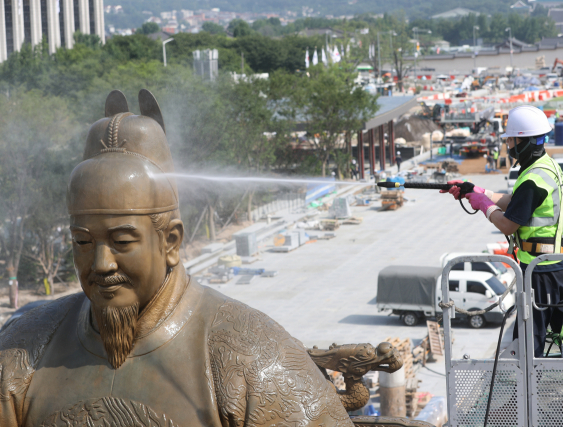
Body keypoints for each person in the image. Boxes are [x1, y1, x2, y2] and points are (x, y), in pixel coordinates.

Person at [0, 90, 351, 427]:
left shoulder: (255, 358)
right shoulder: (23, 350)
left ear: (170, 240)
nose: (101, 264)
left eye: (122, 240)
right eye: (83, 241)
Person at [442, 105, 563, 358]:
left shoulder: (533, 179)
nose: (508, 145)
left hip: (543, 270)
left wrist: (484, 206)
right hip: (556, 264)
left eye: (511, 139)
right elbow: (514, 201)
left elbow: (508, 223)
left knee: (531, 339)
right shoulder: (544, 167)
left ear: (525, 141)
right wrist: (476, 191)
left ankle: (531, 391)